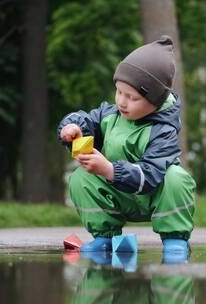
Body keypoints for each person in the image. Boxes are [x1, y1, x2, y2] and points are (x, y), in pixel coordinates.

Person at [57, 35, 196, 255]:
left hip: (153, 196)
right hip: (117, 196)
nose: (122, 101)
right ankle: (105, 236)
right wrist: (72, 128)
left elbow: (150, 175)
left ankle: (175, 240)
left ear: (155, 100)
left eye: (132, 97)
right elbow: (87, 120)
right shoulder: (110, 115)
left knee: (176, 178)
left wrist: (110, 170)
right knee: (80, 178)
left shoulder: (164, 131)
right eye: (119, 92)